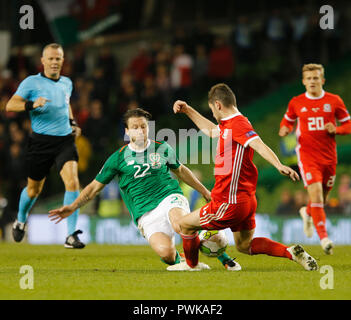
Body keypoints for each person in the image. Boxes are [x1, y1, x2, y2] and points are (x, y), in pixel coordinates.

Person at [48, 108, 241, 270]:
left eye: (143, 126)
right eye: (135, 127)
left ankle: (220, 259)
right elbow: (93, 188)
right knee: (166, 254)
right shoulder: (118, 159)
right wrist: (72, 207)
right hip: (144, 213)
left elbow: (181, 171)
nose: (140, 131)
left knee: (179, 223)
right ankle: (182, 258)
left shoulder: (162, 148)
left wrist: (204, 192)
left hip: (169, 197)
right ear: (127, 132)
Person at [167, 83, 318, 271]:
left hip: (228, 201)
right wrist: (188, 110)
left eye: (212, 110)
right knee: (244, 245)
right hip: (246, 200)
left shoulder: (238, 124)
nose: (213, 114)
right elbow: (212, 131)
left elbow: (259, 144)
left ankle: (192, 265)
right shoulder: (229, 125)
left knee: (184, 225)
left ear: (218, 105)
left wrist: (278, 164)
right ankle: (290, 252)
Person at [5, 43, 85, 248]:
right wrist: (32, 105)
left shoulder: (67, 82)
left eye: (58, 58)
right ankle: (21, 220)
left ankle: (70, 235)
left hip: (65, 140)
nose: (54, 62)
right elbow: (10, 105)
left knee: (73, 181)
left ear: (63, 61)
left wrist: (73, 123)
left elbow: (66, 104)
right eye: (50, 58)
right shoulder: (31, 83)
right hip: (41, 142)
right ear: (42, 61)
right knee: (33, 190)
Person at [279, 63, 351, 254]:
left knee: (322, 198)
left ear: (322, 80)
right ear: (304, 81)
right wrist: (285, 128)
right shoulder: (296, 102)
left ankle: (307, 212)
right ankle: (324, 238)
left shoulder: (334, 101)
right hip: (306, 156)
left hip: (329, 157)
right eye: (309, 78)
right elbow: (287, 120)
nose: (312, 81)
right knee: (317, 195)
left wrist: (335, 129)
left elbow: (348, 126)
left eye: (316, 78)